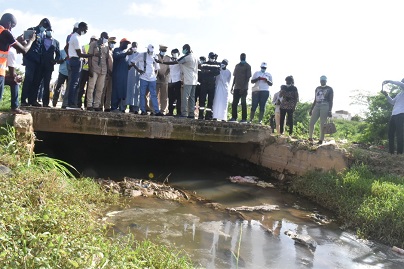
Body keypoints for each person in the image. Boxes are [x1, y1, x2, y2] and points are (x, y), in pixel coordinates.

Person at [0, 13, 35, 113]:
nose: (11, 29)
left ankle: (15, 107)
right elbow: (24, 50)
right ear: (8, 23)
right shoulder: (5, 33)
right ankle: (14, 108)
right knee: (15, 80)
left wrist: (15, 40)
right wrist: (31, 41)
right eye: (12, 26)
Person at [159, 44, 198, 118]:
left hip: (184, 80)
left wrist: (162, 62)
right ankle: (191, 114)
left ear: (186, 49)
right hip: (193, 80)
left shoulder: (185, 58)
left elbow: (176, 63)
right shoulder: (194, 57)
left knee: (184, 98)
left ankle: (183, 113)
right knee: (191, 97)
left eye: (183, 49)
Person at [21, 18, 52, 107]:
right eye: (45, 26)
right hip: (30, 59)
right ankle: (24, 100)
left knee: (36, 81)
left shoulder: (43, 34)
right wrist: (24, 59)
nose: (45, 28)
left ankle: (32, 100)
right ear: (41, 23)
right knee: (28, 79)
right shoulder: (32, 30)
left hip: (39, 61)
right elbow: (24, 43)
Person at [129, 44, 163, 116]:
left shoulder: (155, 56)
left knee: (153, 95)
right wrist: (138, 69)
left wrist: (155, 76)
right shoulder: (142, 55)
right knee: (142, 94)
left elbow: (157, 68)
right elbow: (132, 61)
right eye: (150, 51)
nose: (151, 52)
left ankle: (157, 111)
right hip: (143, 77)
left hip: (152, 79)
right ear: (147, 50)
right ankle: (143, 110)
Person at [66, 22, 90, 109]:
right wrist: (91, 55)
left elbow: (67, 47)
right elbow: (79, 54)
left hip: (75, 60)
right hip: (76, 60)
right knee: (74, 83)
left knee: (75, 83)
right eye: (85, 29)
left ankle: (73, 103)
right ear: (81, 27)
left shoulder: (76, 37)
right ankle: (70, 104)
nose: (86, 31)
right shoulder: (75, 38)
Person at [36, 29, 61, 107]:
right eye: (48, 30)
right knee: (37, 82)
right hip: (40, 64)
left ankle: (45, 103)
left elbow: (58, 54)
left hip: (49, 65)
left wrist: (55, 61)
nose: (49, 32)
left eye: (50, 30)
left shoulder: (56, 42)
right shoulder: (41, 39)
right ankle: (33, 100)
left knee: (47, 84)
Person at [86, 32, 111, 111]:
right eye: (106, 37)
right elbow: (89, 56)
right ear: (102, 36)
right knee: (91, 87)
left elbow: (107, 59)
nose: (106, 39)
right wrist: (90, 68)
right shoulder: (93, 44)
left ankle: (97, 105)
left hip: (103, 70)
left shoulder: (106, 47)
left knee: (100, 89)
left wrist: (107, 71)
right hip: (94, 68)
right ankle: (89, 105)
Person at [309, 75, 334, 145]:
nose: (322, 82)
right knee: (311, 123)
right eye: (321, 80)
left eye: (323, 80)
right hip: (317, 105)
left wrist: (330, 110)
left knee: (322, 124)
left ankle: (321, 139)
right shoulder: (317, 88)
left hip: (325, 106)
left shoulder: (330, 89)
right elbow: (315, 99)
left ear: (326, 81)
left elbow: (331, 100)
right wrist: (311, 109)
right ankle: (310, 137)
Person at [381, 79, 404, 154]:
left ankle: (399, 153)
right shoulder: (399, 94)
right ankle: (391, 152)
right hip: (394, 115)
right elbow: (392, 102)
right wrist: (386, 95)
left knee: (399, 133)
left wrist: (389, 81)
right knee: (390, 133)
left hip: (401, 114)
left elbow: (399, 84)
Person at [111, 38, 134, 113]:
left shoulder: (125, 53)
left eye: (127, 44)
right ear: (121, 43)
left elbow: (126, 66)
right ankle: (113, 107)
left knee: (121, 92)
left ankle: (118, 107)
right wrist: (126, 54)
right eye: (125, 43)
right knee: (116, 91)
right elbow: (116, 57)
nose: (127, 45)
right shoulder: (117, 50)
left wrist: (131, 65)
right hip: (117, 75)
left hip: (124, 76)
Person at [198, 52, 220, 120]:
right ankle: (201, 115)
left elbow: (217, 72)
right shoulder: (204, 63)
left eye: (213, 57)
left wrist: (209, 71)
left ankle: (208, 115)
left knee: (210, 101)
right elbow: (202, 72)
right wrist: (210, 71)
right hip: (204, 84)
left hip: (212, 84)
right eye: (211, 57)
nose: (212, 58)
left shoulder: (217, 64)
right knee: (202, 100)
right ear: (209, 57)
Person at [77, 35, 97, 109]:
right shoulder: (84, 46)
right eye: (94, 40)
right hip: (84, 69)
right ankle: (78, 103)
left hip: (92, 70)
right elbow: (83, 56)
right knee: (81, 87)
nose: (95, 41)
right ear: (91, 39)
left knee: (90, 88)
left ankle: (86, 104)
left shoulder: (96, 48)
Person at [101, 37, 115, 112]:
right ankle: (100, 105)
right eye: (112, 43)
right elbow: (105, 60)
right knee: (103, 90)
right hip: (106, 72)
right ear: (109, 42)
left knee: (109, 91)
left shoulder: (112, 51)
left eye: (114, 43)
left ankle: (107, 106)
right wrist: (108, 70)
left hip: (112, 74)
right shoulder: (105, 49)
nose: (113, 44)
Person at [126, 41, 140, 113]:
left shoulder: (139, 55)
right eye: (133, 46)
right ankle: (125, 107)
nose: (134, 47)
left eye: (135, 46)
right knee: (128, 90)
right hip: (128, 76)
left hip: (136, 76)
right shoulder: (128, 54)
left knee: (136, 92)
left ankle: (135, 108)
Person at [156, 45, 171, 114]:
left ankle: (163, 110)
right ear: (159, 50)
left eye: (165, 51)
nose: (163, 52)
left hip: (165, 79)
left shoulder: (168, 58)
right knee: (154, 95)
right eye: (162, 51)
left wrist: (164, 75)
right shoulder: (156, 56)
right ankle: (154, 109)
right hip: (156, 77)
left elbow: (169, 68)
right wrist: (158, 74)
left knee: (164, 96)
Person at [167, 48, 182, 116]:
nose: (174, 54)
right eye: (173, 53)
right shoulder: (170, 59)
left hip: (177, 80)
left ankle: (178, 112)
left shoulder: (180, 60)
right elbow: (169, 69)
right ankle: (170, 111)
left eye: (176, 53)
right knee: (171, 97)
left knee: (178, 97)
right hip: (170, 80)